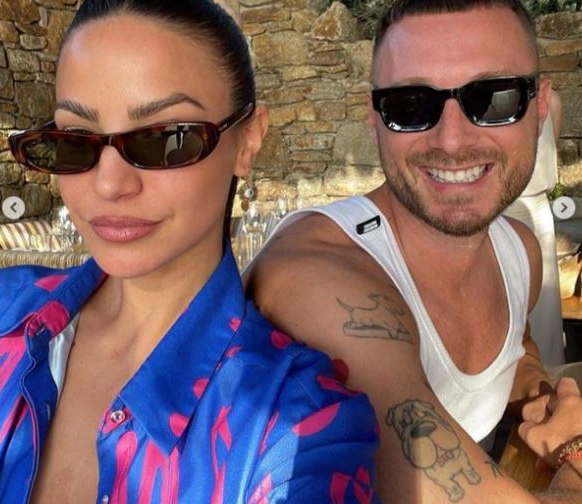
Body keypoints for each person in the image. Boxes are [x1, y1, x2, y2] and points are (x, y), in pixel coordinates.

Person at [0, 1, 380, 502]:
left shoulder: (297, 423)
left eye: (165, 140)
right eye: (75, 140)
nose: (109, 184)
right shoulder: (3, 314)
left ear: (247, 141)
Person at [245, 0, 582, 502]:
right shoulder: (318, 279)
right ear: (374, 117)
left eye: (494, 98)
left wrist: (542, 396)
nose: (452, 141)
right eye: (410, 105)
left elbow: (517, 348)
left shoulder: (520, 251)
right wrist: (576, 455)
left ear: (539, 109)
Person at [504, 90, 564, 365]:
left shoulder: (552, 100)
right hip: (523, 209)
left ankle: (544, 369)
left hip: (529, 210)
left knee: (541, 302)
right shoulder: (552, 100)